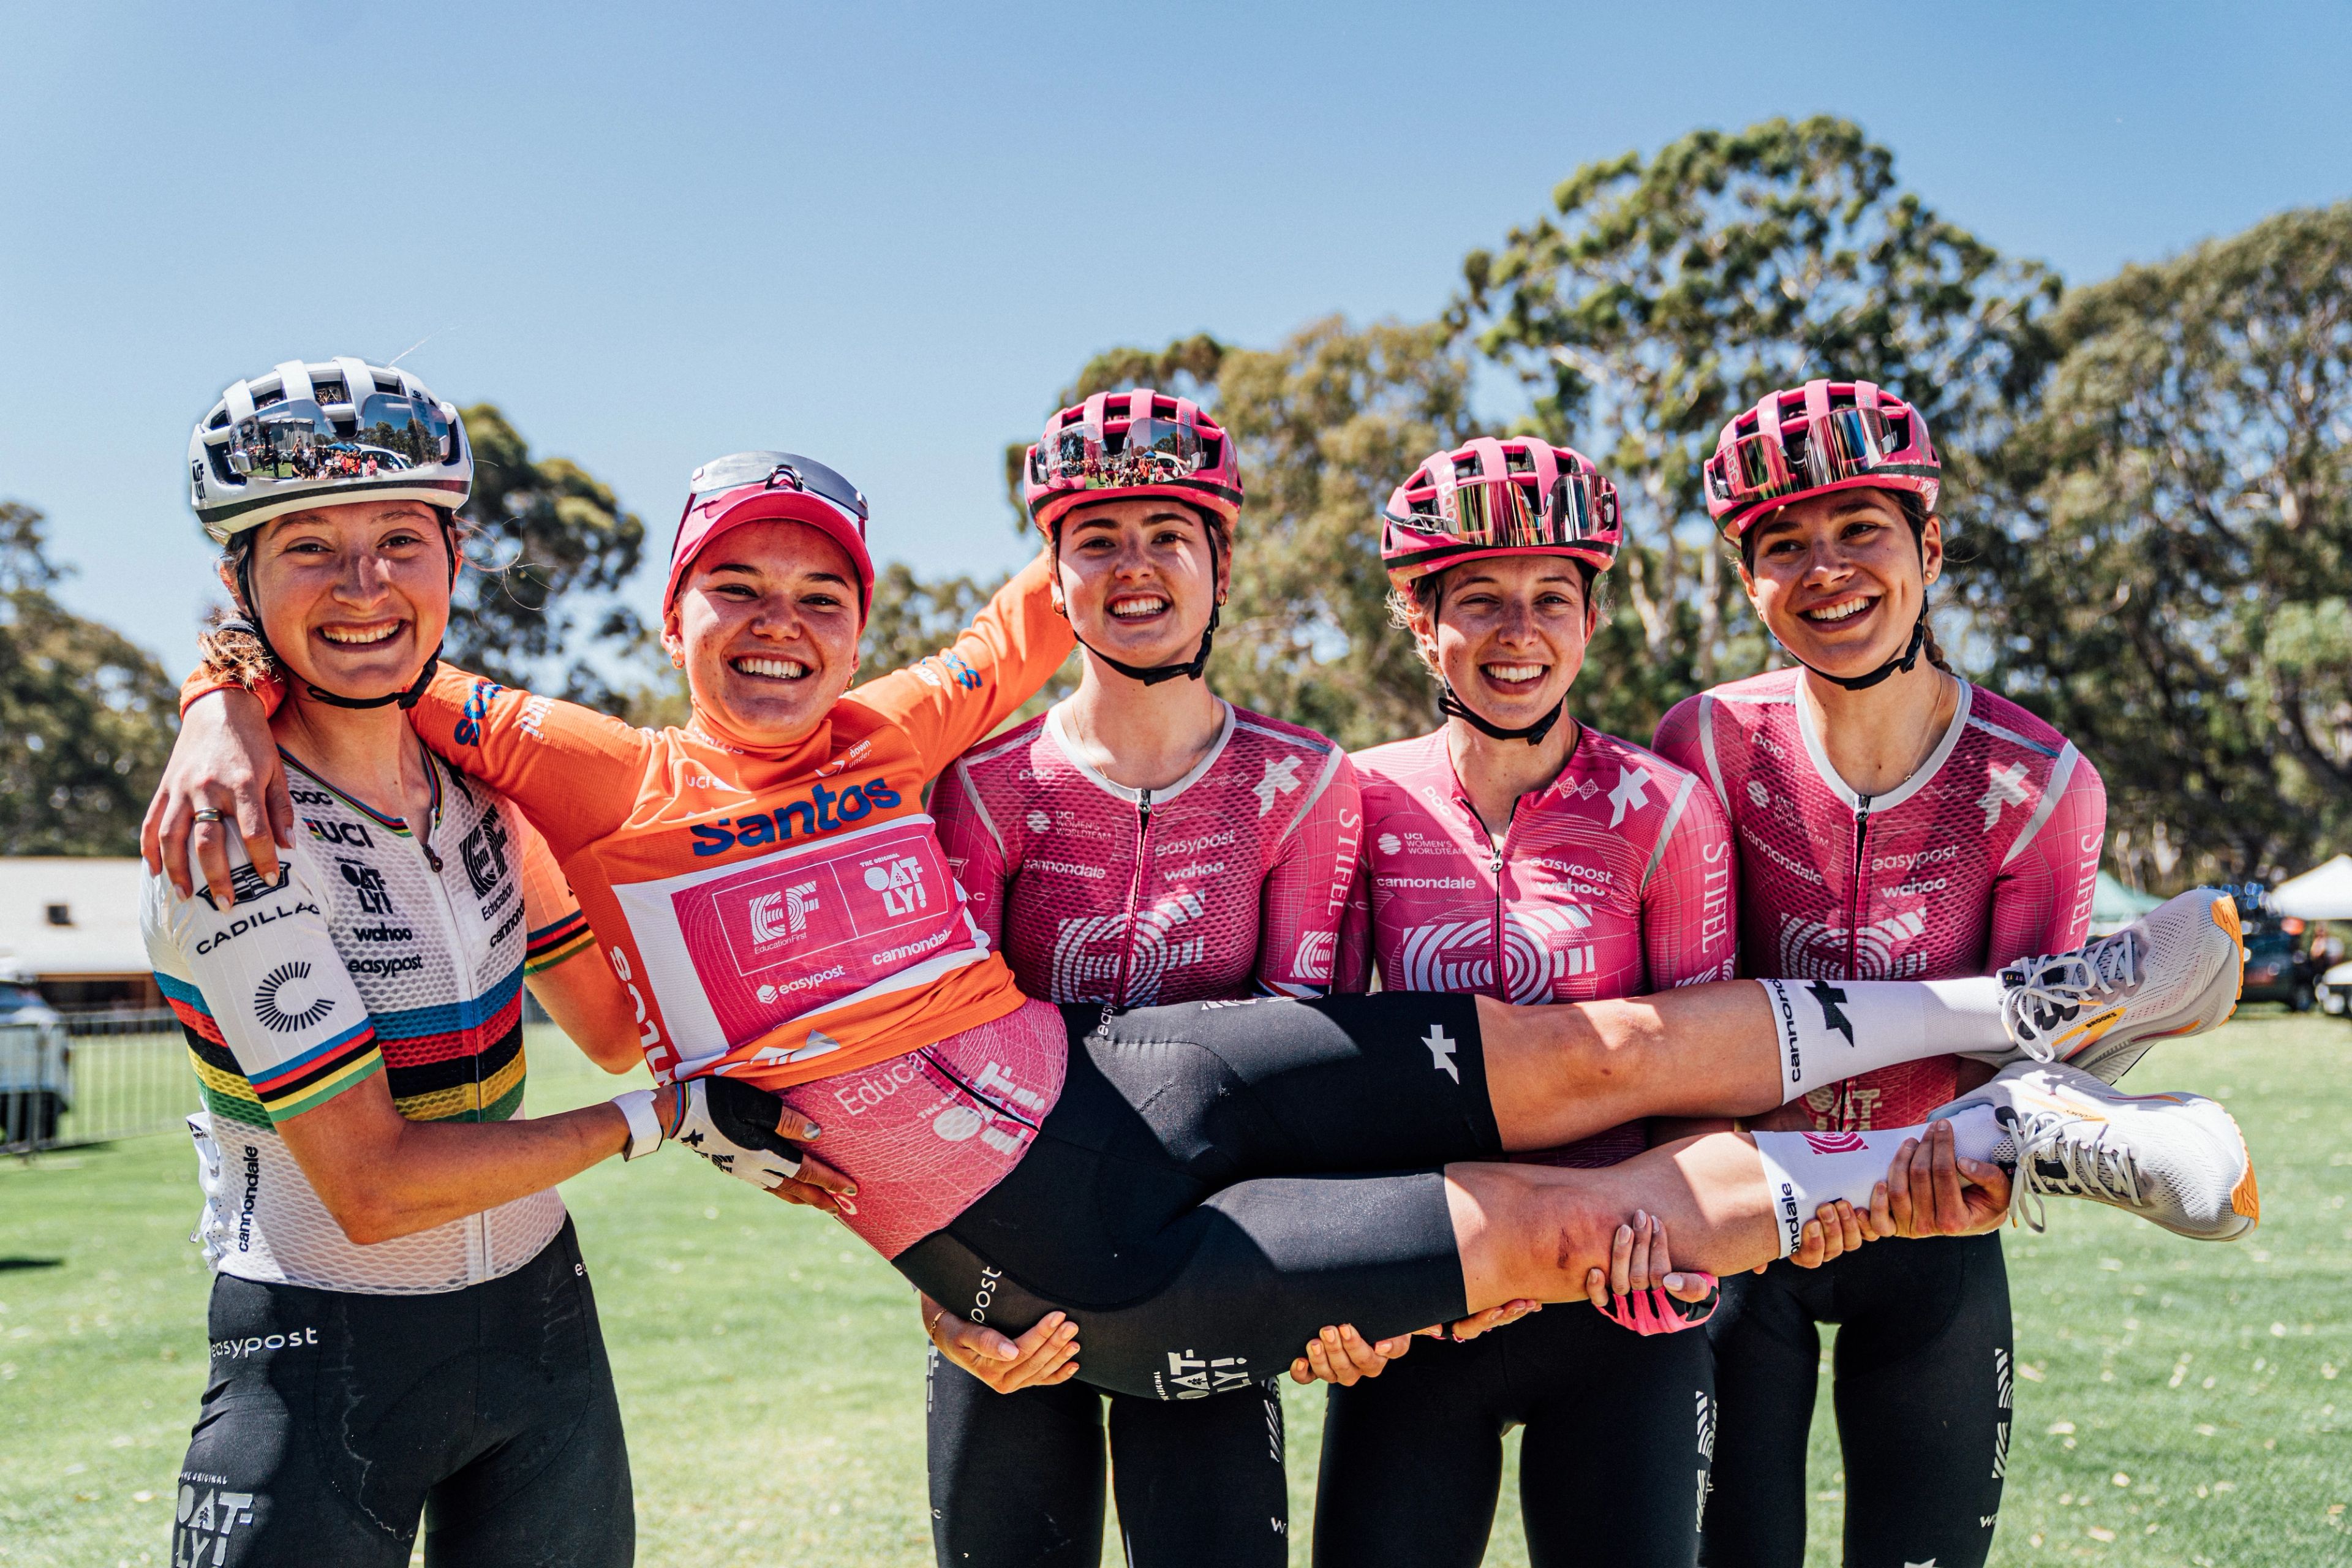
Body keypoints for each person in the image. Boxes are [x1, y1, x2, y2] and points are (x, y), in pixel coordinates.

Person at [146, 397, 2255, 1414]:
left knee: (1598, 1057)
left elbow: (1072, 576)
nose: (784, 633)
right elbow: (357, 629)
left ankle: (2039, 1008)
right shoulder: (587, 785)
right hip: (1072, 1243)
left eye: (821, 597)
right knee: (1552, 1225)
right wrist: (206, 700)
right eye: (738, 597)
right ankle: (2000, 1140)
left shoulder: (908, 718)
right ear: (666, 612)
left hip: (1132, 1074)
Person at [149, 357, 807, 1568]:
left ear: (454, 555)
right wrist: (658, 1119)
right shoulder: (228, 829)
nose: (365, 583)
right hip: (322, 1351)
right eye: (307, 545)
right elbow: (377, 1184)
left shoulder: (486, 792)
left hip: (540, 1328)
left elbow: (611, 1021)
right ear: (239, 577)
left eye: (402, 537)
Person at [1650, 379, 2115, 1568]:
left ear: (1931, 544)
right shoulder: (1702, 741)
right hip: (1745, 1230)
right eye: (1783, 544)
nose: (1827, 568)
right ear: (1749, 581)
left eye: (1860, 526)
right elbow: (1681, 1016)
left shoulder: (2040, 784)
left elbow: (2039, 1069)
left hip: (1934, 1230)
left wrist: (1984, 1169)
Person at [918, 393, 1357, 1566]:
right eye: (1096, 537)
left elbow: (1303, 1065)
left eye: (1170, 532)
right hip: (1009, 1280)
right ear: (1051, 577)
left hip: (1207, 1257)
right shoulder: (983, 784)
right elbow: (936, 1074)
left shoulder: (1304, 782)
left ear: (1220, 562)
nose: (1135, 566)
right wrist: (942, 1294)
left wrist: (1323, 1276)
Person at [1308, 435, 1735, 1568]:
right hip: (1424, 1303)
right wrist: (1352, 1279)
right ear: (1418, 617)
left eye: (1553, 597)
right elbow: (1317, 1068)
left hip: (1621, 1308)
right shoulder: (1352, 800)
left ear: (1592, 621)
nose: (1520, 632)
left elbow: (1709, 1080)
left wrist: (1682, 1255)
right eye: (1481, 600)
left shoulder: (1665, 811)